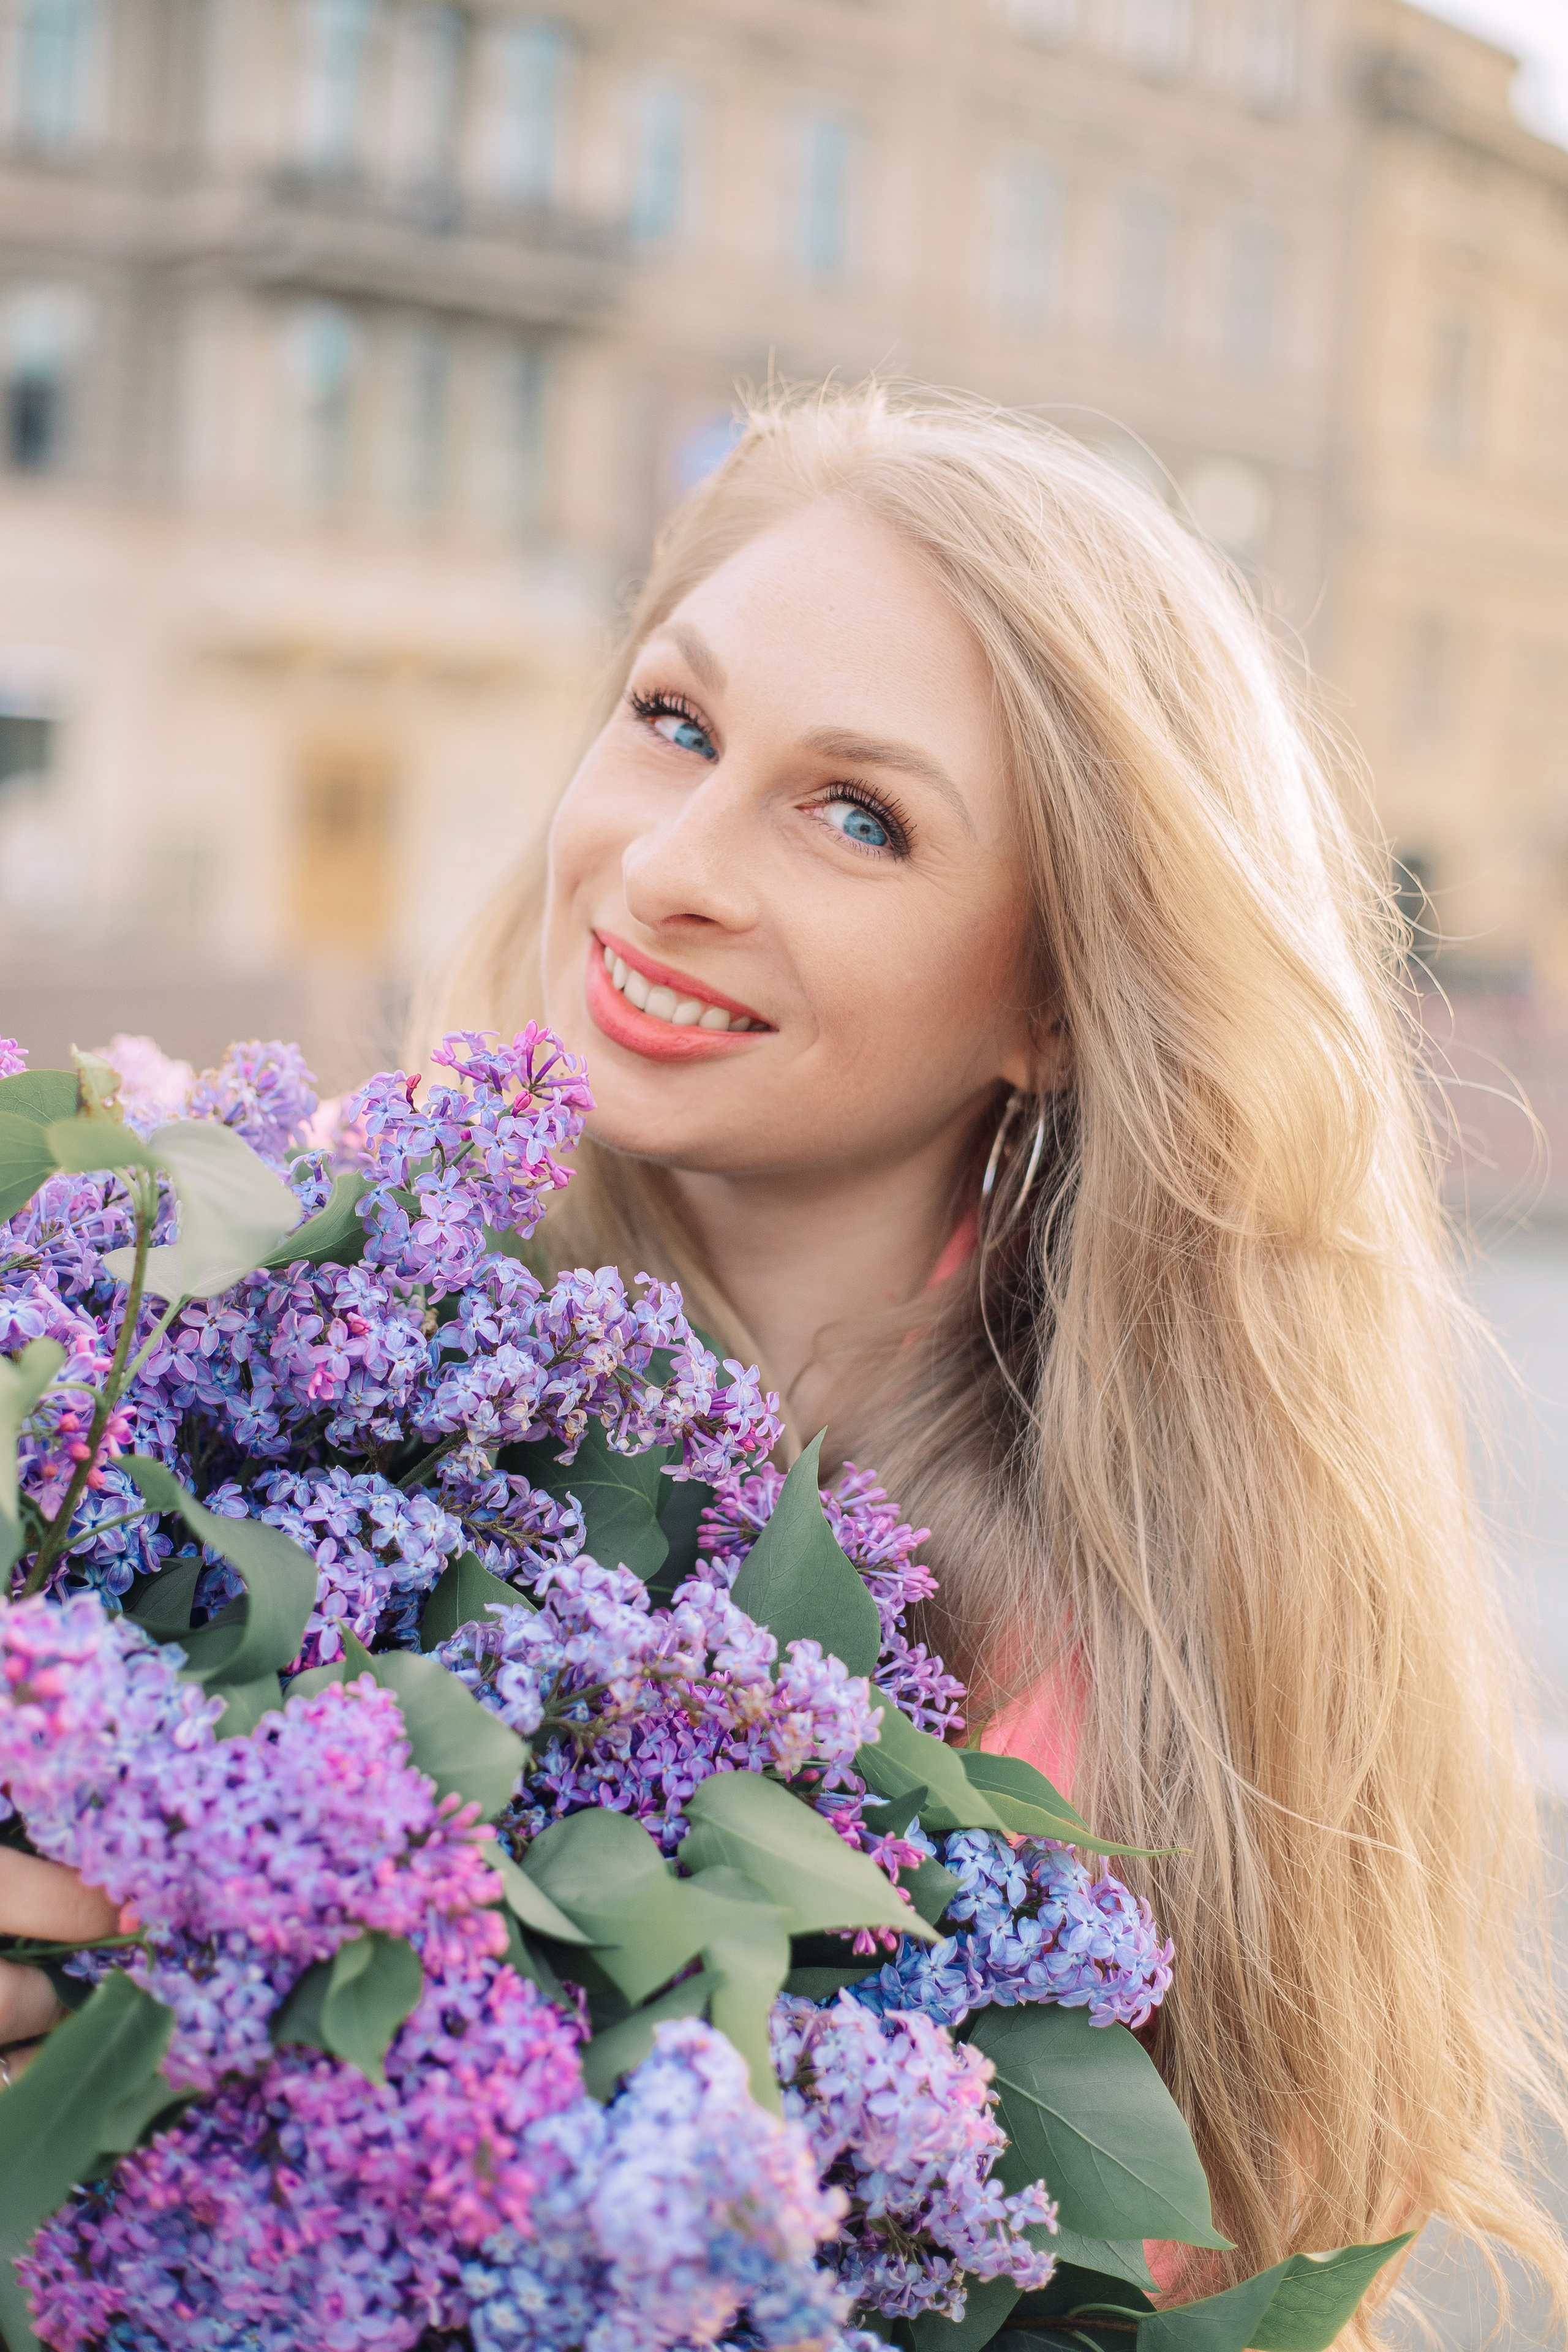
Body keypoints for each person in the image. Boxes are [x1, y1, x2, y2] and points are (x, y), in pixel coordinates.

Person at [4, 384, 1563, 2333]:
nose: (670, 865)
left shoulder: (1122, 1685)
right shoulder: (208, 1305)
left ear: (1064, 1000)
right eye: (675, 721)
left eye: (858, 815)